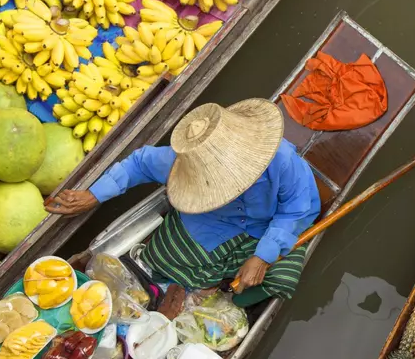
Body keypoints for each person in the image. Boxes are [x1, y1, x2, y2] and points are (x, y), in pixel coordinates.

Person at [47, 99, 321, 308]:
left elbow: (297, 209)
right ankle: (206, 284)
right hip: (211, 222)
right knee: (162, 259)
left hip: (268, 227)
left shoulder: (282, 161)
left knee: (282, 278)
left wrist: (262, 256)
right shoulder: (183, 163)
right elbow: (138, 164)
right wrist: (94, 195)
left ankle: (231, 298)